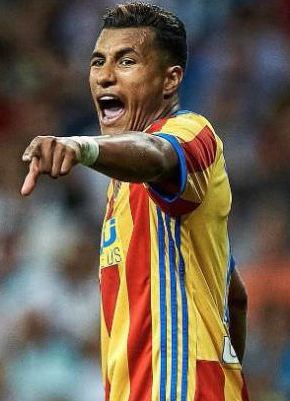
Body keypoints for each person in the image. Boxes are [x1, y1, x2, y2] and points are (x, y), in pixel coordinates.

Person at [21, 2, 249, 401]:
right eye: (98, 61)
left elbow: (158, 154)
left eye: (126, 61)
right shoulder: (122, 184)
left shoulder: (191, 132)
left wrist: (83, 146)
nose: (105, 75)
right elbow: (235, 296)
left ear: (170, 79)